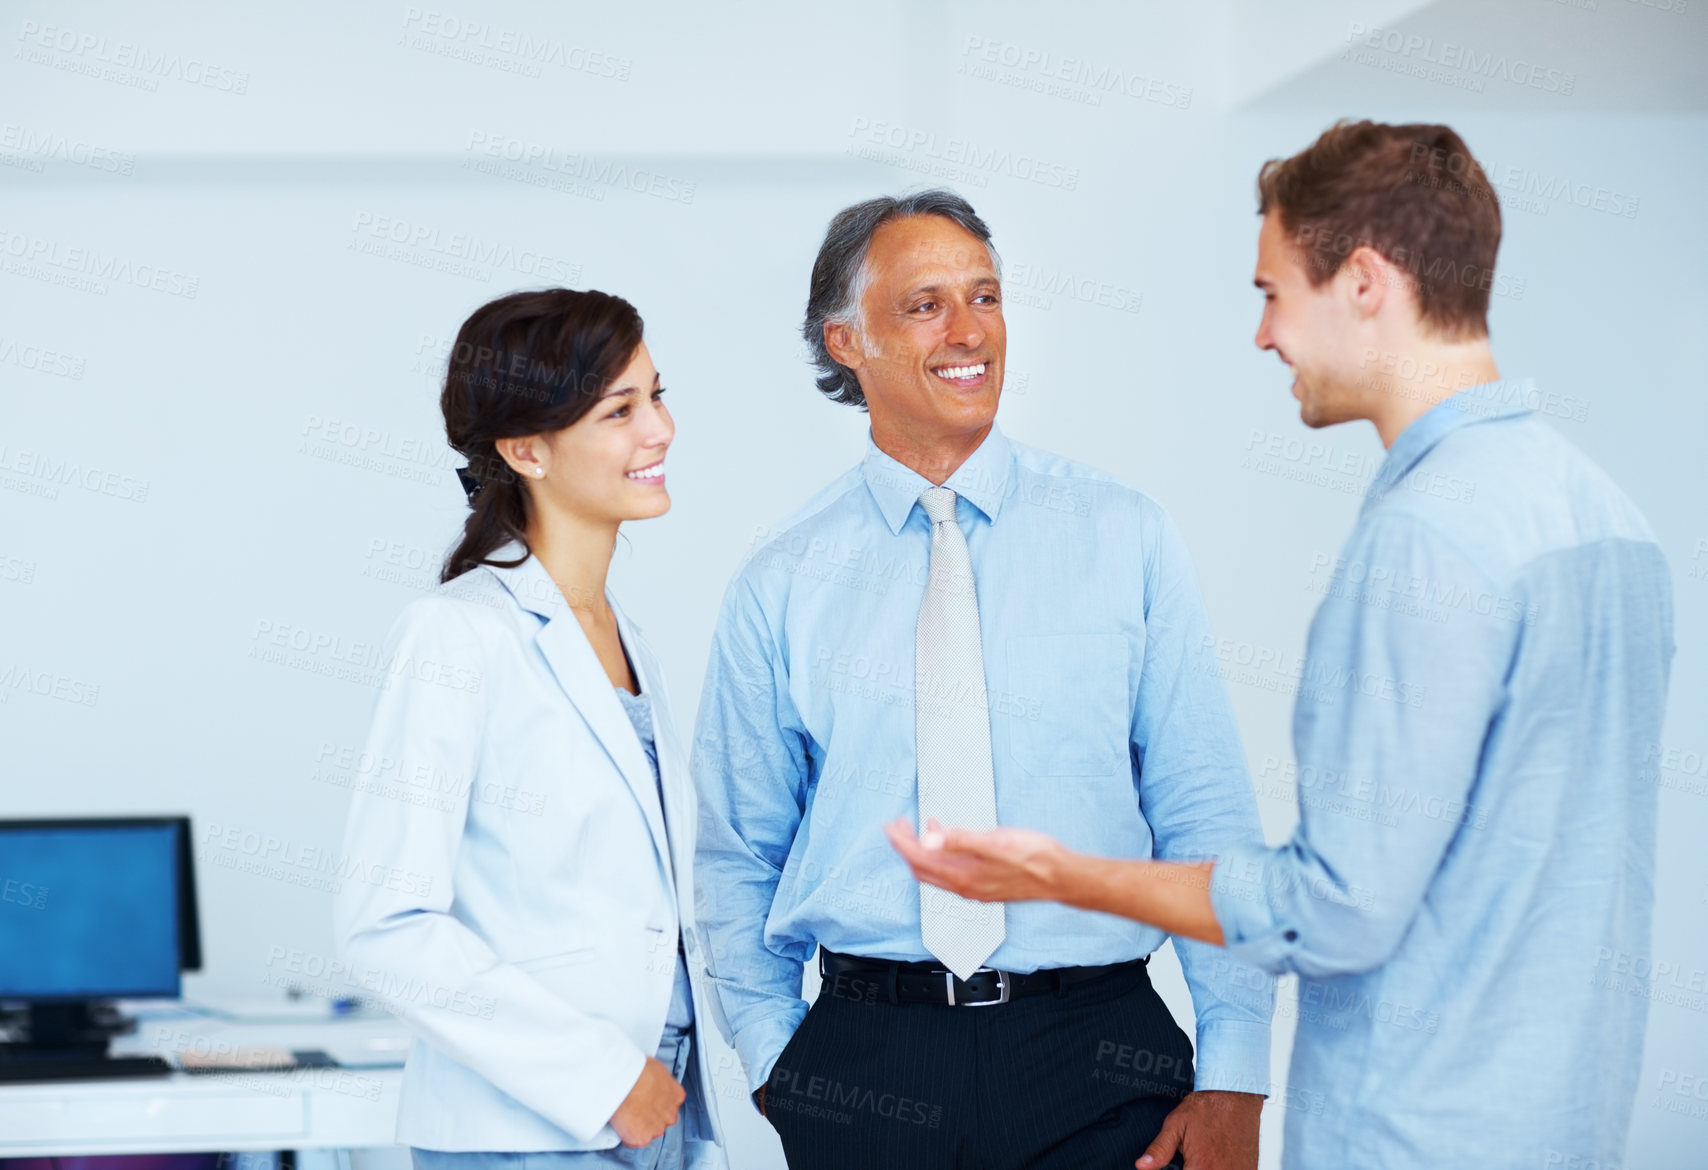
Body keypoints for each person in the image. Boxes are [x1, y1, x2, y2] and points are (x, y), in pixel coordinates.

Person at [889, 121, 1676, 1170]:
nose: (1263, 336)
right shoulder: (1604, 516)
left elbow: (1335, 908)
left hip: (1413, 1134)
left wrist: (1066, 875)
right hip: (1567, 1128)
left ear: (1361, 281)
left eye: (1272, 293)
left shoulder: (1424, 539)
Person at [691, 190, 1273, 1170]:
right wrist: (776, 1064)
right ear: (845, 340)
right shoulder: (780, 582)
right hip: (866, 1061)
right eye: (924, 304)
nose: (968, 332)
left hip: (1102, 1056)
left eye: (985, 296)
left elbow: (1203, 814)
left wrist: (1235, 1072)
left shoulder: (1124, 536)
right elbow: (737, 857)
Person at [334, 289, 726, 1169]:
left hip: (663, 1108)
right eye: (619, 411)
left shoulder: (625, 637)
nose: (658, 431)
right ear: (525, 449)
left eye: (657, 397)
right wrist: (600, 1078)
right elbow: (384, 921)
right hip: (535, 1129)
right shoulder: (458, 633)